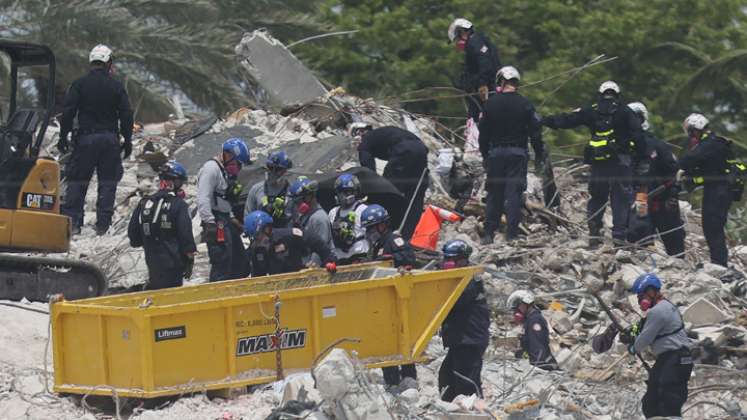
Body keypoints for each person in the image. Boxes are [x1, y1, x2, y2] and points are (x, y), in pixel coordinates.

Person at [542, 81, 647, 247]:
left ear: (600, 94)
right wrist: (642, 160)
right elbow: (639, 136)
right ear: (617, 95)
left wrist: (545, 120)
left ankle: (594, 235)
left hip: (599, 163)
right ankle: (619, 237)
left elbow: (568, 120)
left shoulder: (592, 110)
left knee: (597, 197)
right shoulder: (625, 111)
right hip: (621, 163)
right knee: (620, 200)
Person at [58, 44, 133, 235]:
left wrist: (63, 136)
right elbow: (126, 114)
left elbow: (68, 112)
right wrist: (128, 139)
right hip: (109, 140)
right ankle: (103, 226)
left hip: (85, 140)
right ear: (108, 63)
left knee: (77, 181)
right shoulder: (116, 86)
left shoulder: (79, 84)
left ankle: (73, 225)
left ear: (92, 62)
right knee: (108, 183)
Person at [478, 66, 545, 244]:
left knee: (494, 193)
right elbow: (536, 132)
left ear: (501, 81)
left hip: (496, 153)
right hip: (518, 153)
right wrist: (539, 154)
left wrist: (485, 155)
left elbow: (483, 133)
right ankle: (512, 235)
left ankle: (488, 234)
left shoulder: (490, 104)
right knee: (514, 194)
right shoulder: (525, 103)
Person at [360, 204, 418, 389]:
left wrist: (392, 261)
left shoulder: (394, 240)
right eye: (367, 229)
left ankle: (409, 380)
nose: (370, 233)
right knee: (385, 342)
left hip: (397, 301)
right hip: (382, 303)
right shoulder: (376, 245)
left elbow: (409, 258)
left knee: (401, 340)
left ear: (382, 225)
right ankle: (391, 382)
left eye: (372, 228)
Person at [626, 273, 693, 418]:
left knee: (667, 400)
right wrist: (632, 331)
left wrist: (633, 348)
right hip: (673, 359)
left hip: (674, 359)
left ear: (651, 291)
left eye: (641, 295)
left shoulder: (658, 311)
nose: (640, 299)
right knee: (652, 400)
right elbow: (642, 327)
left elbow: (645, 337)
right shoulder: (666, 306)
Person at [626, 102, 685, 256]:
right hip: (640, 197)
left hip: (662, 198)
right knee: (640, 234)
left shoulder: (657, 145)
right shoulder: (622, 146)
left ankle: (679, 267)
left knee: (674, 238)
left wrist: (673, 193)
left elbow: (674, 171)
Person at [127, 160, 196, 290]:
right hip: (174, 263)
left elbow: (133, 236)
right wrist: (189, 256)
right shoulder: (179, 205)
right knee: (171, 297)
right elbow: (185, 233)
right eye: (180, 183)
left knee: (156, 293)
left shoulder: (144, 203)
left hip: (152, 262)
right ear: (173, 182)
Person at [678, 114, 735, 267]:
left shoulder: (709, 144)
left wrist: (679, 167)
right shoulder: (716, 142)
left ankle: (719, 264)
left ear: (695, 131)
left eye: (690, 133)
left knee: (712, 227)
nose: (690, 137)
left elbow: (687, 160)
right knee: (713, 227)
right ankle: (719, 262)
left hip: (718, 192)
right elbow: (707, 168)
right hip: (720, 191)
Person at [438, 240, 490, 402]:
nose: (447, 263)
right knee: (446, 380)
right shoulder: (460, 278)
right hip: (460, 341)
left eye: (451, 260)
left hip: (469, 342)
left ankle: (474, 413)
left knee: (466, 384)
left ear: (462, 260)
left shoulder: (468, 281)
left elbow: (451, 302)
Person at [356, 126, 429, 240]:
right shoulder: (383, 134)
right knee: (415, 196)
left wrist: (372, 191)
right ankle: (405, 237)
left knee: (387, 192)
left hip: (404, 149)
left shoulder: (366, 140)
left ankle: (385, 234)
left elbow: (368, 171)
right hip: (421, 150)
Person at [197, 137, 251, 281]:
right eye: (237, 164)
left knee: (240, 261)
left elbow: (224, 199)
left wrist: (233, 219)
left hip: (226, 218)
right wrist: (209, 222)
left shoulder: (224, 172)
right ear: (228, 155)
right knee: (222, 261)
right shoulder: (211, 169)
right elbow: (203, 197)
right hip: (216, 221)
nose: (238, 168)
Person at [243, 211, 336, 276]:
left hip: (299, 282)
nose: (257, 241)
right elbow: (258, 276)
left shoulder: (288, 236)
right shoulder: (257, 251)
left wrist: (329, 262)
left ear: (267, 230)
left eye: (257, 236)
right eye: (254, 238)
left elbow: (315, 241)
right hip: (278, 289)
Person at [447, 18, 501, 122]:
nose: (457, 43)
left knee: (477, 120)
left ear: (461, 33)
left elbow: (485, 63)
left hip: (486, 90)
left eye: (456, 39)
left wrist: (482, 84)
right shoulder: (478, 41)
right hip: (481, 91)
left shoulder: (475, 42)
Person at [507, 289, 559, 370]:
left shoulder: (535, 321)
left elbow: (537, 347)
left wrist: (536, 366)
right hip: (539, 362)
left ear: (526, 304)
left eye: (518, 306)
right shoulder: (530, 319)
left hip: (544, 365)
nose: (517, 310)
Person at [244, 151, 293, 227]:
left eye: (277, 169)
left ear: (285, 171)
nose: (272, 172)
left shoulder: (292, 192)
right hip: (261, 234)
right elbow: (248, 216)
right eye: (270, 167)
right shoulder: (256, 189)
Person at [329, 174, 369, 264]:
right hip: (340, 259)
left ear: (355, 192)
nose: (344, 195)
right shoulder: (333, 212)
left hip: (359, 257)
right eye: (340, 192)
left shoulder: (363, 209)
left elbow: (371, 235)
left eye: (347, 192)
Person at [287, 177, 333, 252]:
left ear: (308, 197)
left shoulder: (319, 218)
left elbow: (321, 248)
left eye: (298, 201)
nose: (296, 205)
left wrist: (312, 263)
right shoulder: (304, 216)